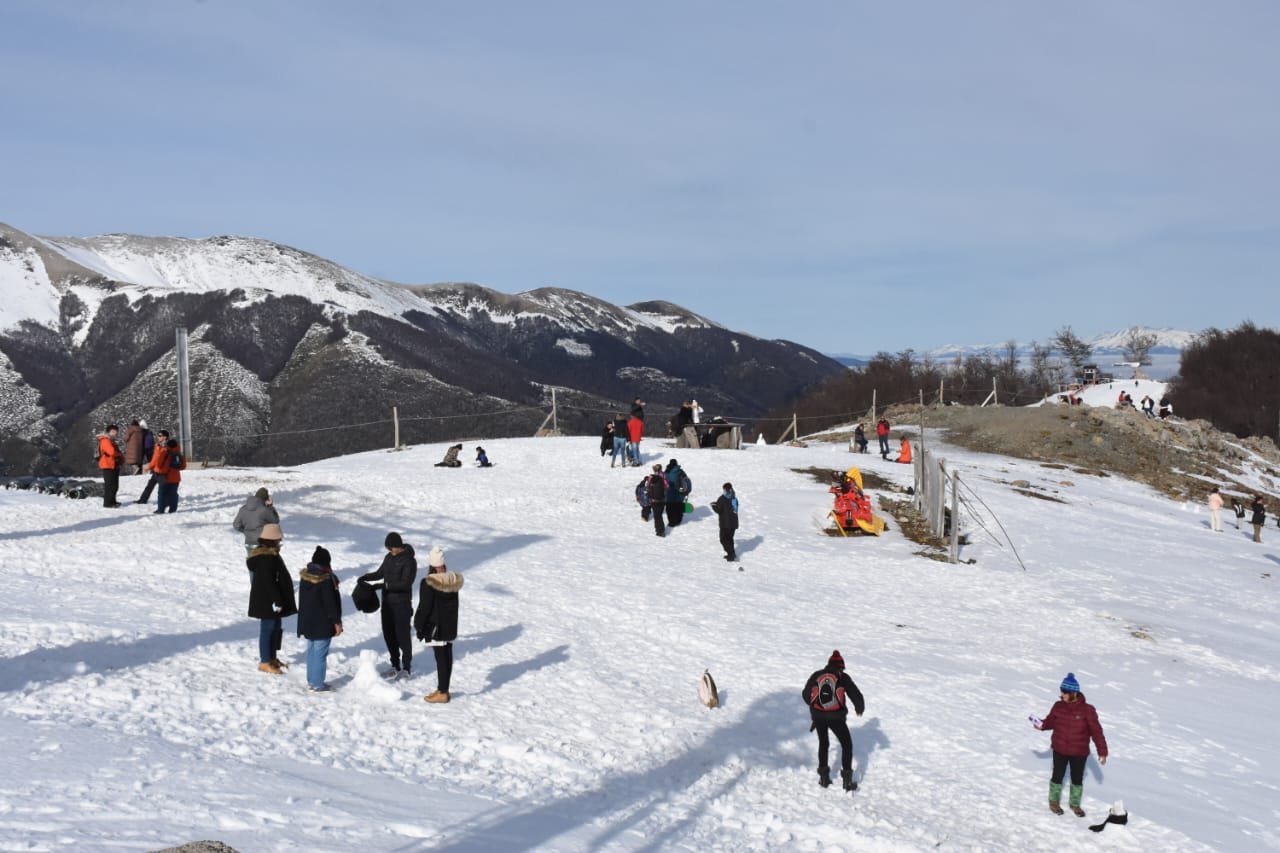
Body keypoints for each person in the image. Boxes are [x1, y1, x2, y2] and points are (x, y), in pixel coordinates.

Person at [1032, 672, 1108, 817]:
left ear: (1073, 693)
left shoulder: (1088, 710)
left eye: (1064, 693)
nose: (1062, 696)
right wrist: (1040, 725)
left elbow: (1097, 732)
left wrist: (1102, 752)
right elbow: (1049, 722)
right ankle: (1053, 802)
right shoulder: (1058, 706)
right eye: (1061, 693)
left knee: (1077, 779)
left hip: (1079, 752)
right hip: (1059, 749)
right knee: (1057, 775)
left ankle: (1075, 804)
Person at [802, 650, 865, 791]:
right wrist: (859, 707)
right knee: (846, 745)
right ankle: (847, 781)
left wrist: (816, 707)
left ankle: (824, 778)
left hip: (818, 716)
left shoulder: (817, 675)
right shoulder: (843, 677)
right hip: (836, 717)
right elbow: (855, 693)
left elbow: (806, 695)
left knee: (823, 743)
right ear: (841, 666)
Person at [360, 532, 418, 679]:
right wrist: (366, 577)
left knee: (403, 636)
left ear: (399, 546)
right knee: (389, 635)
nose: (391, 551)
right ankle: (395, 665)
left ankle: (406, 667)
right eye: (389, 549)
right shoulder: (388, 557)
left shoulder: (409, 561)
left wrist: (384, 585)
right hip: (387, 604)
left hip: (402, 603)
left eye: (392, 548)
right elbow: (380, 572)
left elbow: (405, 584)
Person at [415, 546, 464, 704]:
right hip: (449, 626)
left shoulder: (429, 582)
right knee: (447, 657)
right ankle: (444, 688)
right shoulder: (452, 580)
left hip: (435, 627)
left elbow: (424, 607)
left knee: (441, 659)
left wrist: (418, 625)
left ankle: (442, 692)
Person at [246, 523, 297, 675]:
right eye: (278, 539)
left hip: (271, 600)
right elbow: (269, 582)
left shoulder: (270, 554)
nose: (280, 542)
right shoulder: (267, 558)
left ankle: (272, 658)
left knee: (275, 628)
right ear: (272, 540)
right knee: (267, 629)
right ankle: (265, 661)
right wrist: (277, 600)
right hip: (267, 601)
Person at [297, 546, 342, 692]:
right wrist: (337, 622)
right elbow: (330, 604)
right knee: (320, 654)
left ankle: (312, 680)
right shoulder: (326, 580)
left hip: (307, 622)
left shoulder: (305, 578)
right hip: (322, 623)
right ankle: (317, 684)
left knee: (311, 651)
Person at [233, 488, 280, 552]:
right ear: (265, 499)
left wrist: (246, 532)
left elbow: (236, 525)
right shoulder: (265, 510)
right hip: (263, 543)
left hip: (249, 543)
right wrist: (270, 506)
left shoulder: (243, 509)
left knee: (253, 561)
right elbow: (275, 521)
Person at [135, 429, 169, 505]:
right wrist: (150, 467)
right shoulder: (157, 445)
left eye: (160, 436)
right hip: (156, 470)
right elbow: (154, 458)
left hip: (163, 471)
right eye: (158, 435)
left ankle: (166, 502)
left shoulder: (168, 447)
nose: (158, 437)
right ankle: (143, 500)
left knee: (164, 488)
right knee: (149, 485)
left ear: (165, 437)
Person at [153, 438, 184, 513]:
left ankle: (161, 510)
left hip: (164, 476)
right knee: (173, 494)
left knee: (162, 494)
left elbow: (158, 464)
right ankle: (173, 509)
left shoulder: (164, 451)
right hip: (176, 478)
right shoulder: (179, 452)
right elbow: (183, 466)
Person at [711, 482, 739, 562]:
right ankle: (732, 553)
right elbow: (733, 508)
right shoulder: (734, 498)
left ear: (725, 489)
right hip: (733, 523)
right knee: (729, 539)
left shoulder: (722, 498)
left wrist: (713, 506)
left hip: (725, 524)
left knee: (723, 539)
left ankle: (731, 555)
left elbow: (718, 510)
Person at [97, 425, 123, 507]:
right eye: (113, 431)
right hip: (108, 465)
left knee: (114, 485)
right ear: (109, 432)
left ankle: (113, 501)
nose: (115, 433)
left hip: (113, 465)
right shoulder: (105, 440)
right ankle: (108, 503)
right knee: (110, 485)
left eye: (116, 431)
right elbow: (111, 452)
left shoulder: (111, 441)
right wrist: (118, 454)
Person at [641, 464, 667, 537]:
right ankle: (661, 531)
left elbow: (647, 487)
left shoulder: (650, 478)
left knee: (657, 516)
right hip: (662, 499)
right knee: (659, 515)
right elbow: (667, 486)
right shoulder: (664, 477)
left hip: (653, 500)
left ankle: (660, 531)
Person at [664, 458, 689, 527]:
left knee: (669, 508)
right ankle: (678, 520)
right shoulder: (680, 471)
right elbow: (686, 480)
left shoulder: (666, 471)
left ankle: (671, 522)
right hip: (679, 493)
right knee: (678, 507)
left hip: (669, 494)